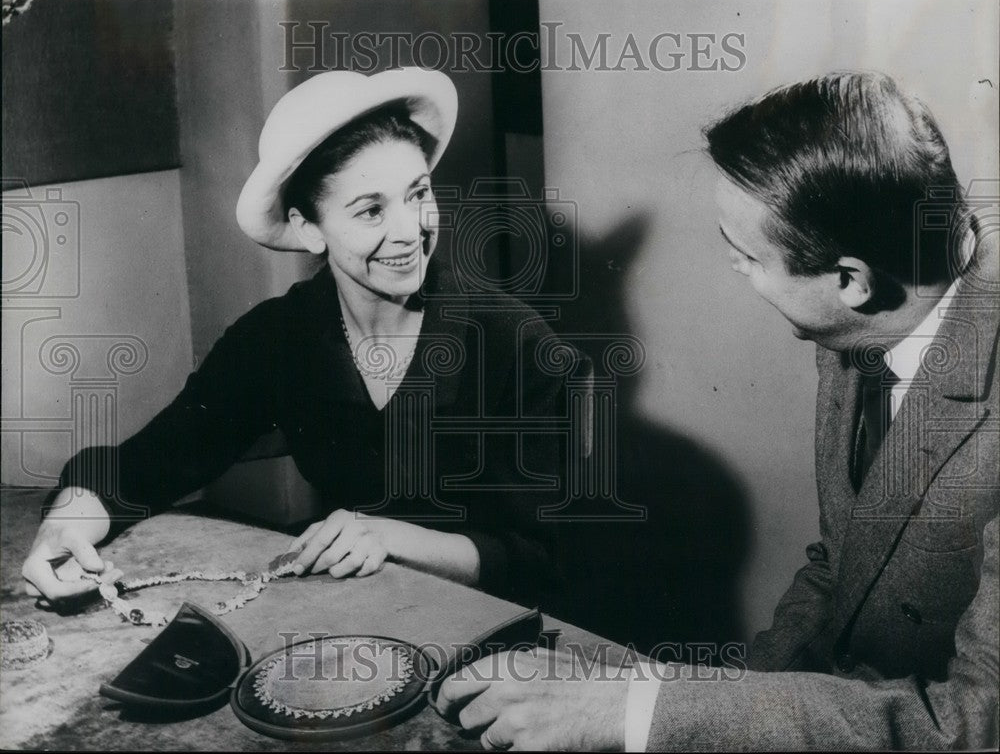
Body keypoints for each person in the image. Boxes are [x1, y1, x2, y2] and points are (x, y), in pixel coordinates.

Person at [434, 71, 999, 749]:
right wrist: (691, 707)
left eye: (747, 256)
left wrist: (636, 714)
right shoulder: (860, 326)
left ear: (851, 282)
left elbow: (977, 723)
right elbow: (840, 570)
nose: (735, 270)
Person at [22, 68, 573, 610]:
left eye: (418, 194)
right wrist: (62, 528)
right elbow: (143, 466)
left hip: (503, 646)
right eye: (371, 210)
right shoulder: (279, 339)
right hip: (358, 620)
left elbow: (543, 560)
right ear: (309, 228)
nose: (409, 230)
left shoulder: (514, 343)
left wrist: (390, 538)